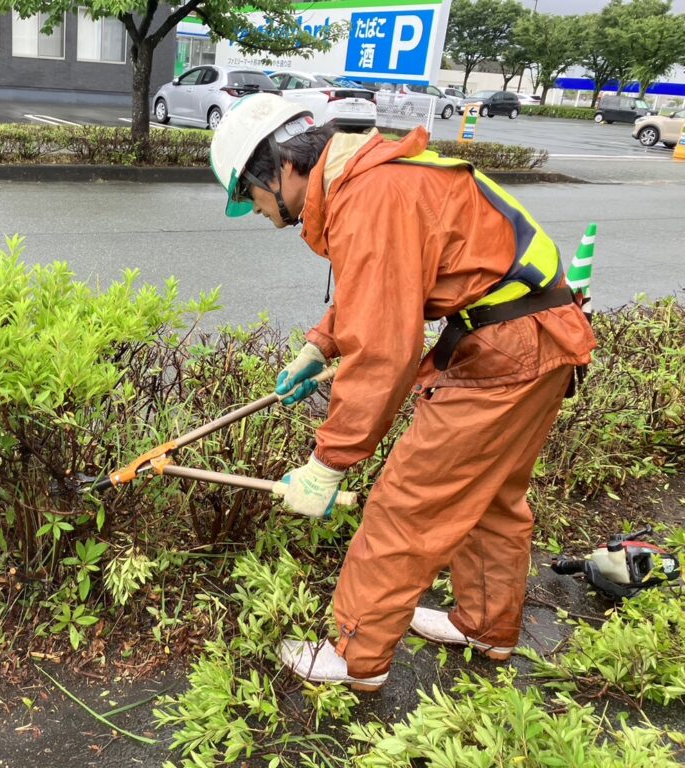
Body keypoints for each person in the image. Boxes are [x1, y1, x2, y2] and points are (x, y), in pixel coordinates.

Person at [209, 94, 596, 692]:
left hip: (508, 352)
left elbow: (384, 350)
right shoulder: (374, 174)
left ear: (279, 167)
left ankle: (357, 659)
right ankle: (486, 626)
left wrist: (329, 461)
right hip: (538, 337)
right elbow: (386, 280)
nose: (256, 211)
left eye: (250, 197)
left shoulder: (371, 196)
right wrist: (321, 345)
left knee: (405, 506)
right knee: (490, 498)